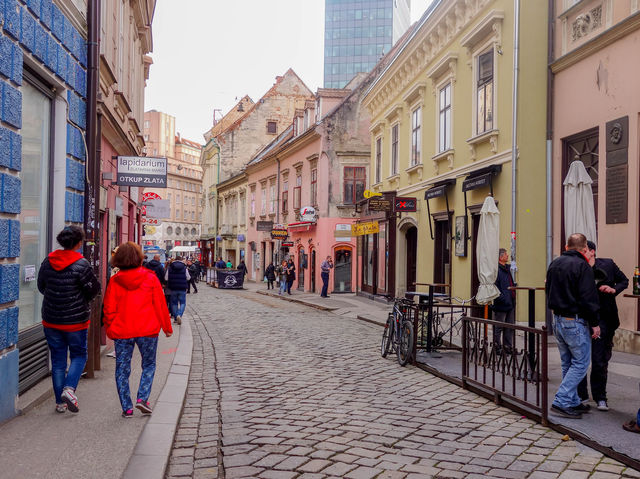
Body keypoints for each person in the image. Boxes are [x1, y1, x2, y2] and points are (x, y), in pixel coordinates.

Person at [102, 242, 172, 418]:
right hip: (147, 330)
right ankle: (143, 398)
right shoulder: (150, 277)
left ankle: (127, 408)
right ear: (139, 258)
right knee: (148, 365)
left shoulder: (115, 281)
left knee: (122, 369)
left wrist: (110, 329)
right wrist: (167, 327)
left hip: (122, 331)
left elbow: (109, 308)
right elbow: (160, 305)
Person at [37, 226, 101, 413]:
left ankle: (60, 403)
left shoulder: (48, 261)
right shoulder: (82, 264)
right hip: (75, 322)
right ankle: (69, 389)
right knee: (79, 356)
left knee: (57, 361)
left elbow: (42, 286)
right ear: (79, 243)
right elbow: (94, 290)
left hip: (51, 319)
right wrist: (82, 301)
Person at [546, 233, 601, 419]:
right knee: (581, 362)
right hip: (574, 320)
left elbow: (548, 290)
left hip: (558, 319)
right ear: (584, 248)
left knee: (567, 362)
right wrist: (594, 323)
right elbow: (588, 297)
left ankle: (573, 400)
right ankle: (562, 400)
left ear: (566, 245)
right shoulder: (582, 266)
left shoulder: (554, 263)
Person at [578, 241, 628, 411]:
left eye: (584, 250)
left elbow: (624, 281)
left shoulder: (608, 264)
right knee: (581, 359)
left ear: (592, 251)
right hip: (583, 318)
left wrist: (613, 289)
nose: (581, 253)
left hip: (605, 317)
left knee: (599, 360)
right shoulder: (578, 267)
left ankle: (600, 396)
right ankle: (582, 395)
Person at [493, 248, 516, 353]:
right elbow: (495, 287)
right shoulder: (497, 270)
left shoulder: (506, 269)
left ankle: (508, 347)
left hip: (510, 302)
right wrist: (503, 298)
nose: (507, 256)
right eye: (506, 254)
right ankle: (497, 347)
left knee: (509, 327)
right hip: (501, 303)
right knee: (499, 326)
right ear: (500, 257)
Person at [165, 255, 190, 325]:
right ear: (181, 260)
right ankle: (179, 314)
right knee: (182, 303)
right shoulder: (184, 268)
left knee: (174, 303)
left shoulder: (170, 267)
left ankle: (176, 318)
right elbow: (188, 277)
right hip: (182, 288)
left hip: (173, 288)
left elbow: (166, 278)